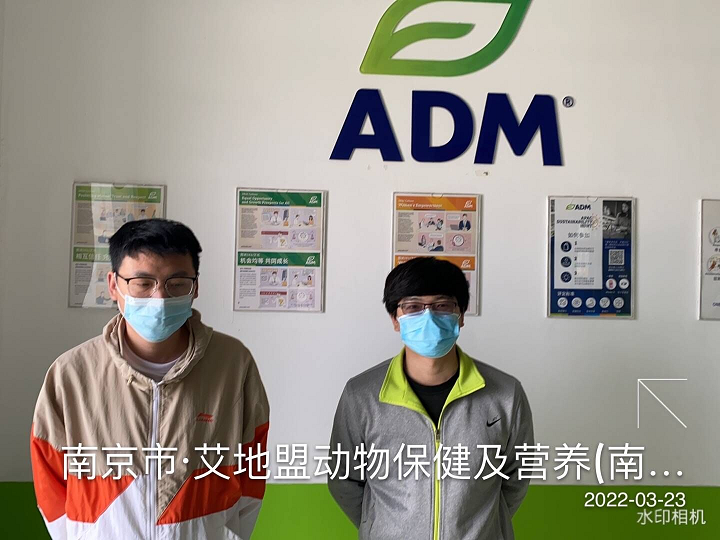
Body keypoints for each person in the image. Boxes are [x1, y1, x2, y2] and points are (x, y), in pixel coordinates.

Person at [31, 218, 270, 540]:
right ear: (114, 285)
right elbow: (50, 478)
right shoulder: (71, 373)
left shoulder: (232, 363)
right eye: (143, 283)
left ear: (195, 287)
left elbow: (251, 464)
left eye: (177, 283)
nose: (159, 298)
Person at [328, 257, 533, 540]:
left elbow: (516, 478)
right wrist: (381, 527)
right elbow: (344, 479)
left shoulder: (506, 395)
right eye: (413, 307)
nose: (428, 317)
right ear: (395, 319)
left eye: (442, 306)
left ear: (461, 315)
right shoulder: (361, 396)